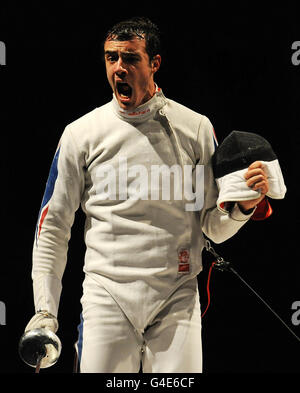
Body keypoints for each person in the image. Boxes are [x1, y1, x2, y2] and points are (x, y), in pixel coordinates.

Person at [24, 17, 270, 373]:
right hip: (106, 297)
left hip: (176, 298)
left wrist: (243, 208)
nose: (119, 69)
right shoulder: (81, 134)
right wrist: (44, 311)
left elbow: (212, 228)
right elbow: (53, 227)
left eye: (131, 59)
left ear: (154, 63)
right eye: (111, 58)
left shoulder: (194, 128)